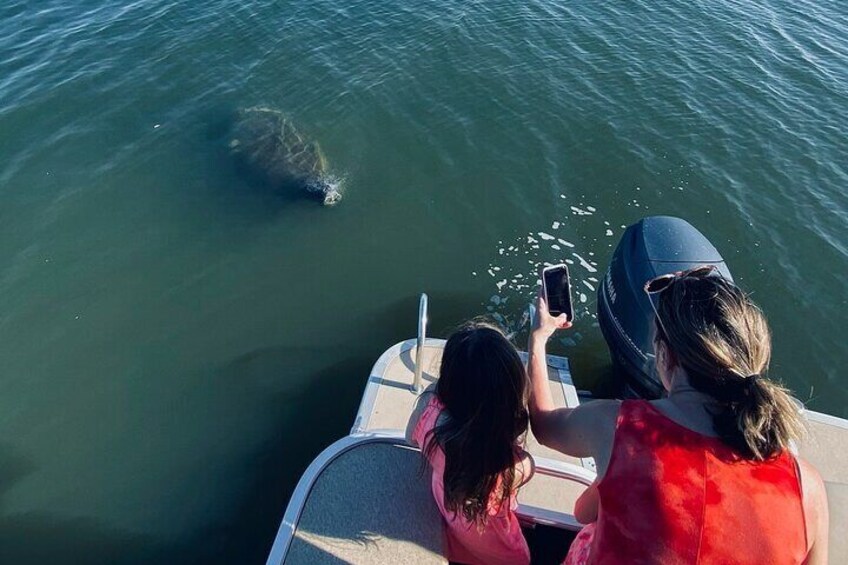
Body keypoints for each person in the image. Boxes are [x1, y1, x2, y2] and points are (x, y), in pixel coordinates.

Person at [528, 266, 829, 564]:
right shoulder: (807, 488)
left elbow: (543, 423)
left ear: (664, 354)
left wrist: (538, 339)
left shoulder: (618, 427)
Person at [406, 320, 534, 565]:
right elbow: (529, 466)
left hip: (455, 541)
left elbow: (408, 436)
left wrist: (438, 391)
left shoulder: (429, 416)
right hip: (505, 556)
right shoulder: (514, 466)